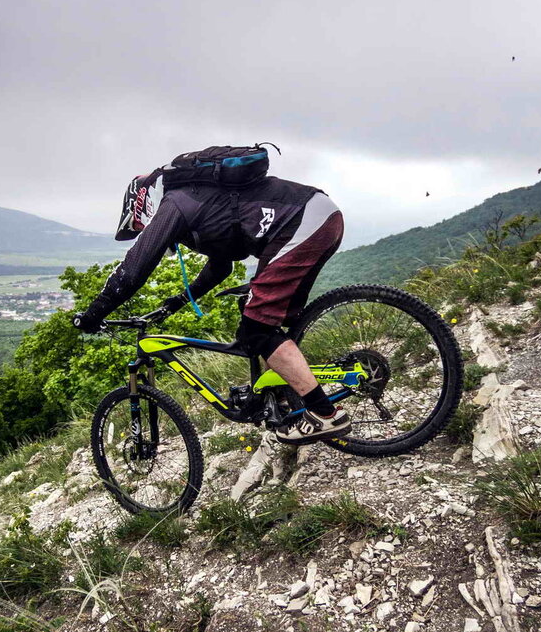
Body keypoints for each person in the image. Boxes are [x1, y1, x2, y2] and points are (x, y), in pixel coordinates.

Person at [72, 161, 350, 444]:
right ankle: (280, 397)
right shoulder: (203, 200)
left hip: (303, 223)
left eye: (143, 224)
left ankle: (324, 414)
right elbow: (220, 267)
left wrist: (93, 314)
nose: (147, 228)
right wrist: (177, 302)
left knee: (257, 330)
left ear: (142, 201)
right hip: (318, 216)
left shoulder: (175, 203)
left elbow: (132, 271)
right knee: (262, 321)